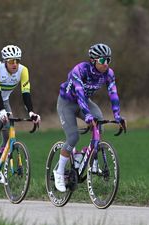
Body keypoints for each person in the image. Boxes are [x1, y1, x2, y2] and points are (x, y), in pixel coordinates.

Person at [54, 43, 126, 192]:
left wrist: (117, 115)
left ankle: (91, 158)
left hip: (85, 102)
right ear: (93, 60)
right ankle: (59, 172)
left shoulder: (108, 73)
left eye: (108, 60)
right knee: (73, 138)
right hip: (67, 103)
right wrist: (87, 115)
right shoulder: (80, 70)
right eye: (102, 60)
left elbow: (113, 93)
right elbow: (79, 93)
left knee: (99, 121)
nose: (105, 64)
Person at [0, 45, 40, 181]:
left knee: (8, 132)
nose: (15, 64)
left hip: (4, 100)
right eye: (11, 61)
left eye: (17, 61)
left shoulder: (23, 71)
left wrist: (31, 113)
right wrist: (1, 111)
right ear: (5, 61)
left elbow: (26, 93)